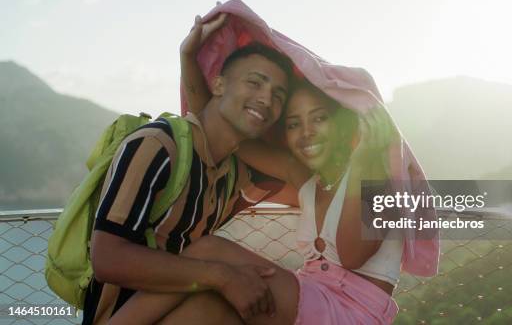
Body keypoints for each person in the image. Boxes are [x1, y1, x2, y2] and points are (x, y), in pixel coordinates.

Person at [108, 55, 403, 324]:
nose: (306, 132)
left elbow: (351, 256)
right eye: (293, 124)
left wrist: (364, 160)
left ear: (342, 125)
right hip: (313, 298)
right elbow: (217, 120)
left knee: (210, 250)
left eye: (319, 118)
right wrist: (187, 56)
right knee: (207, 310)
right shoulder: (307, 181)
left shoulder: (378, 176)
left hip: (354, 313)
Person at [84, 14, 295, 325]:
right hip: (120, 315)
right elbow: (107, 258)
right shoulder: (157, 145)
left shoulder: (233, 174)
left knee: (271, 295)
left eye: (279, 96)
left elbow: (308, 179)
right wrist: (222, 276)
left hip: (179, 307)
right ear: (219, 85)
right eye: (254, 82)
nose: (266, 99)